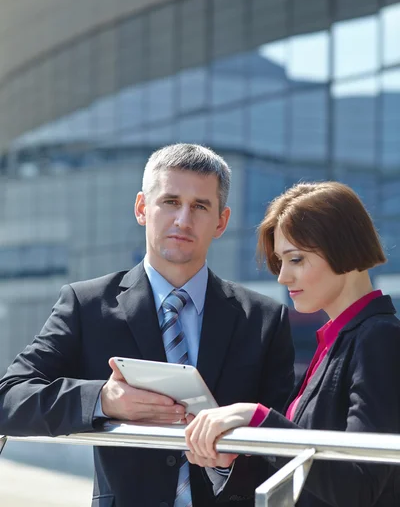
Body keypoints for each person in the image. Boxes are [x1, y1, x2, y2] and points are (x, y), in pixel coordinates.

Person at [0, 143, 295, 507]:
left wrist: (227, 465)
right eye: (170, 202)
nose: (183, 220)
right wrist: (103, 400)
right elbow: (9, 398)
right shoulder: (87, 304)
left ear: (221, 221)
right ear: (142, 208)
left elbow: (283, 443)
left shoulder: (264, 319)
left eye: (200, 206)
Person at [185, 181, 400, 507]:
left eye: (296, 260)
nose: (282, 277)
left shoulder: (378, 339)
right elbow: (314, 474)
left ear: (344, 248)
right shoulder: (337, 342)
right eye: (280, 262)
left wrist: (257, 417)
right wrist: (234, 454)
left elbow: (359, 485)